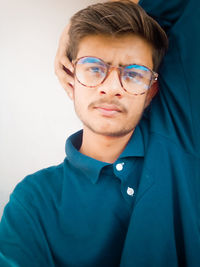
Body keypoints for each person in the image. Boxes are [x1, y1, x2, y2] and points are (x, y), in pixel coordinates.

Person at [0, 0, 200, 267]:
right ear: (70, 76)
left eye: (134, 74)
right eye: (94, 68)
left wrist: (72, 27)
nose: (112, 87)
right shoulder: (34, 200)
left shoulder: (181, 137)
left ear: (152, 92)